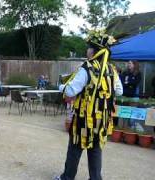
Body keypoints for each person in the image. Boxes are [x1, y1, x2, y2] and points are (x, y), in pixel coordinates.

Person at [55, 30, 123, 180]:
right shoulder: (111, 69)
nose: (87, 50)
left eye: (89, 47)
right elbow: (119, 91)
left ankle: (67, 177)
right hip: (101, 119)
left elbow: (72, 89)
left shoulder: (87, 67)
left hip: (84, 117)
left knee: (75, 147)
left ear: (94, 51)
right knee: (95, 149)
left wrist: (60, 87)